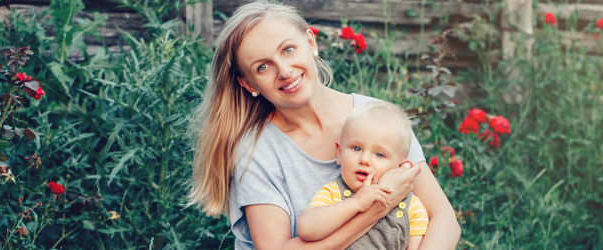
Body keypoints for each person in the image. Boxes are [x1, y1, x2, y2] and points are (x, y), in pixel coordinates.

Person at [186, 1, 460, 249]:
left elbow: (444, 219)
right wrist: (374, 209)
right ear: (248, 84)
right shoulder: (256, 153)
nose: (284, 70)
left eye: (288, 49)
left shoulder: (377, 117)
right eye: (262, 67)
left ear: (311, 42)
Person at [297, 102, 428, 250]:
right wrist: (356, 203)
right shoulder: (333, 195)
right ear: (339, 153)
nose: (364, 159)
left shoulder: (411, 208)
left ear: (399, 167)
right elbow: (306, 229)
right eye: (356, 148)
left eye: (379, 154)